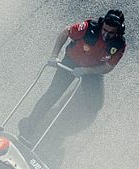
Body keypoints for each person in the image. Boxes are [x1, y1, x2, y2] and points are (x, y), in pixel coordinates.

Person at [18, 9, 126, 143]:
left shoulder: (119, 45)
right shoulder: (88, 27)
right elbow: (66, 31)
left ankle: (61, 128)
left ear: (118, 31)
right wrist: (54, 55)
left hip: (92, 71)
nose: (106, 34)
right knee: (53, 94)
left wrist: (86, 71)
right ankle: (29, 125)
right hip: (71, 62)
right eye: (105, 30)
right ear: (102, 24)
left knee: (95, 106)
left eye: (111, 33)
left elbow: (108, 67)